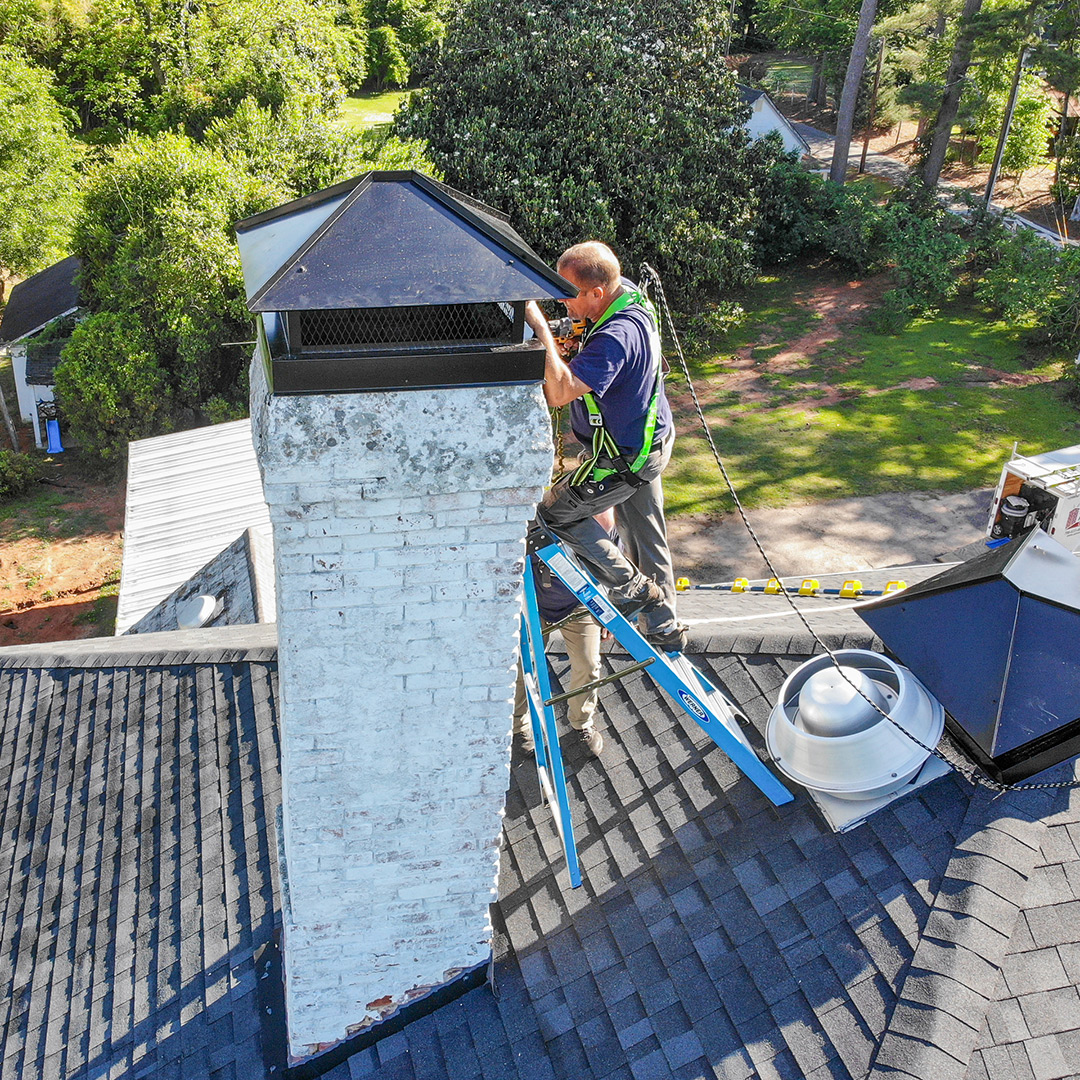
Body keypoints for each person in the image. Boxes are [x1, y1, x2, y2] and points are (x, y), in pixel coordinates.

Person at [524, 241, 687, 652]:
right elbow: (591, 339)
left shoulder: (615, 337)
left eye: (568, 295)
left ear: (596, 292)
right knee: (647, 537)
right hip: (649, 439)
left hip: (625, 457)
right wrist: (574, 342)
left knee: (553, 515)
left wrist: (542, 332)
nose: (562, 303)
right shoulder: (626, 294)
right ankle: (666, 628)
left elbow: (561, 392)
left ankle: (632, 587)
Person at [513, 511, 618, 759]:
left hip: (580, 602)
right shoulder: (543, 518)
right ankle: (518, 727)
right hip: (534, 600)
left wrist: (609, 613)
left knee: (588, 663)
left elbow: (617, 573)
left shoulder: (611, 529)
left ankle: (581, 724)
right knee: (522, 663)